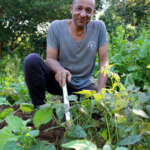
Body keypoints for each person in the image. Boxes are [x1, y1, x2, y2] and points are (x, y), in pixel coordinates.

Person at [24, 0, 108, 108]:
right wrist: (60, 70)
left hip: (84, 87)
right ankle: (39, 108)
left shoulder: (99, 28)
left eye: (88, 10)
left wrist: (100, 93)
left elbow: (104, 60)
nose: (83, 14)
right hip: (60, 81)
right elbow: (50, 59)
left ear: (93, 13)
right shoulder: (56, 27)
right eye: (79, 8)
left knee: (94, 108)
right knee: (32, 61)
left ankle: (71, 100)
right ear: (71, 9)